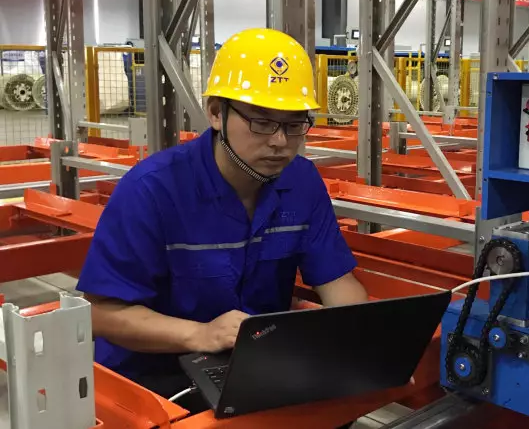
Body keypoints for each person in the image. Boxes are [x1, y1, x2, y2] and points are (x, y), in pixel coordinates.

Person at [75, 28, 369, 416]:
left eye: (295, 124)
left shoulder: (302, 182)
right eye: (262, 122)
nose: (280, 142)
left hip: (253, 364)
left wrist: (360, 341)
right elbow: (99, 313)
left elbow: (337, 283)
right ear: (216, 113)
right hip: (153, 375)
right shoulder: (153, 189)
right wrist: (200, 334)